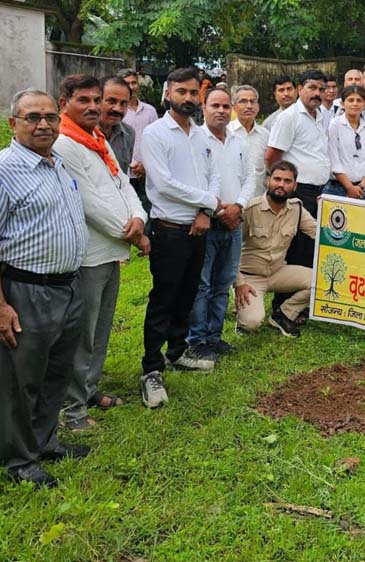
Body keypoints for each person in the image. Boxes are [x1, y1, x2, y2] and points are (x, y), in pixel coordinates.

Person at [0, 89, 90, 488]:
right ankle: (18, 460)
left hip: (66, 287)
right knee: (18, 381)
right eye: (33, 117)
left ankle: (44, 441)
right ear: (13, 123)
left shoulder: (56, 164)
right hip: (24, 290)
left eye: (51, 117)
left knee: (55, 371)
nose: (43, 125)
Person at [54, 74, 149, 431]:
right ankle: (73, 410)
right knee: (82, 335)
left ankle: (89, 390)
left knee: (100, 329)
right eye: (84, 100)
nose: (94, 107)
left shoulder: (96, 138)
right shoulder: (64, 143)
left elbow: (122, 183)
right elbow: (88, 202)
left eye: (97, 99)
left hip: (111, 251)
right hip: (88, 254)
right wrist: (133, 234)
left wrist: (139, 217)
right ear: (64, 104)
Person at [140, 67, 222, 405]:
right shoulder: (155, 133)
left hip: (198, 229)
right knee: (164, 299)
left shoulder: (201, 136)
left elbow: (214, 176)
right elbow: (163, 184)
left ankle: (176, 352)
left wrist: (205, 212)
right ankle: (151, 369)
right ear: (168, 93)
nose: (187, 98)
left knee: (188, 295)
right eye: (181, 91)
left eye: (192, 92)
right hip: (169, 230)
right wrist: (209, 202)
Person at [186, 88, 256, 365]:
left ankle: (214, 336)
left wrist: (238, 205)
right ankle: (197, 340)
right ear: (203, 107)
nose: (221, 111)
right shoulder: (195, 140)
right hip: (208, 222)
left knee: (223, 283)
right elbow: (195, 182)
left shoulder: (239, 141)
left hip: (234, 222)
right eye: (215, 105)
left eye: (226, 106)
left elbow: (250, 177)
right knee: (201, 285)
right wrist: (216, 210)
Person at [235, 161, 318, 337]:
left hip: (278, 271)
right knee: (252, 323)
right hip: (250, 277)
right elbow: (230, 250)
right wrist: (239, 283)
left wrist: (328, 208)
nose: (281, 184)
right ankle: (243, 316)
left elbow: (320, 234)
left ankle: (283, 315)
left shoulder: (297, 209)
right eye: (277, 179)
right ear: (268, 181)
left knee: (321, 282)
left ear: (294, 186)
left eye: (287, 181)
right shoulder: (250, 209)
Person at [265, 69, 330, 270]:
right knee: (298, 247)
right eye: (312, 87)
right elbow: (272, 156)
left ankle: (304, 288)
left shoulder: (322, 116)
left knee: (312, 246)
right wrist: (285, 185)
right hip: (298, 191)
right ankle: (289, 290)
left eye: (321, 89)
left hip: (319, 192)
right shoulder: (289, 117)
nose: (317, 93)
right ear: (300, 89)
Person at [325, 85, 365, 201]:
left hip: (362, 189)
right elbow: (333, 160)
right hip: (336, 188)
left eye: (359, 100)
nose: (355, 104)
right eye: (350, 100)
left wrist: (361, 186)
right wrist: (349, 187)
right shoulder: (334, 125)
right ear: (342, 104)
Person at [119, 68, 158, 208]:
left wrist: (145, 166)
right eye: (126, 83)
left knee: (148, 209)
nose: (131, 87)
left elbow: (156, 141)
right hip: (123, 172)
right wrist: (133, 164)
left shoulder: (150, 111)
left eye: (134, 83)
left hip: (147, 172)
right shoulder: (117, 112)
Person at [228, 85, 270, 199]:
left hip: (258, 199)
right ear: (234, 107)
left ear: (258, 107)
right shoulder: (226, 132)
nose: (249, 106)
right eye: (243, 101)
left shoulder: (265, 135)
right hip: (232, 200)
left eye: (252, 101)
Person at [99, 77, 136, 175]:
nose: (118, 109)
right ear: (98, 100)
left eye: (123, 103)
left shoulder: (129, 133)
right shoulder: (83, 133)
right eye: (112, 102)